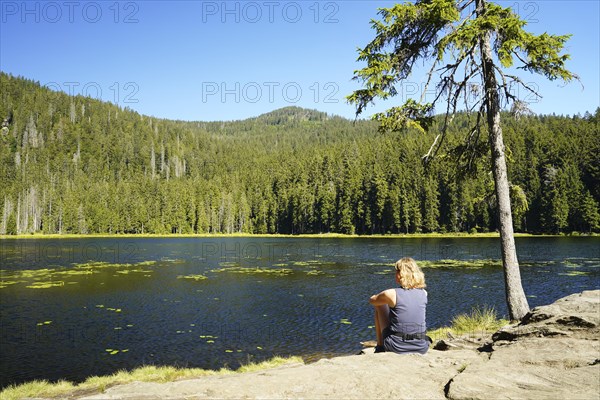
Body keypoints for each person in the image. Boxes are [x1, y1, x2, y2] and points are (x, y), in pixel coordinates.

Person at [369, 257, 429, 354]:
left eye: (397, 271)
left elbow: (372, 301)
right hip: (421, 346)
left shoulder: (391, 293)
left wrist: (375, 297)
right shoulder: (424, 293)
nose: (395, 274)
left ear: (400, 274)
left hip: (396, 346)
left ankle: (380, 347)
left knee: (379, 305)